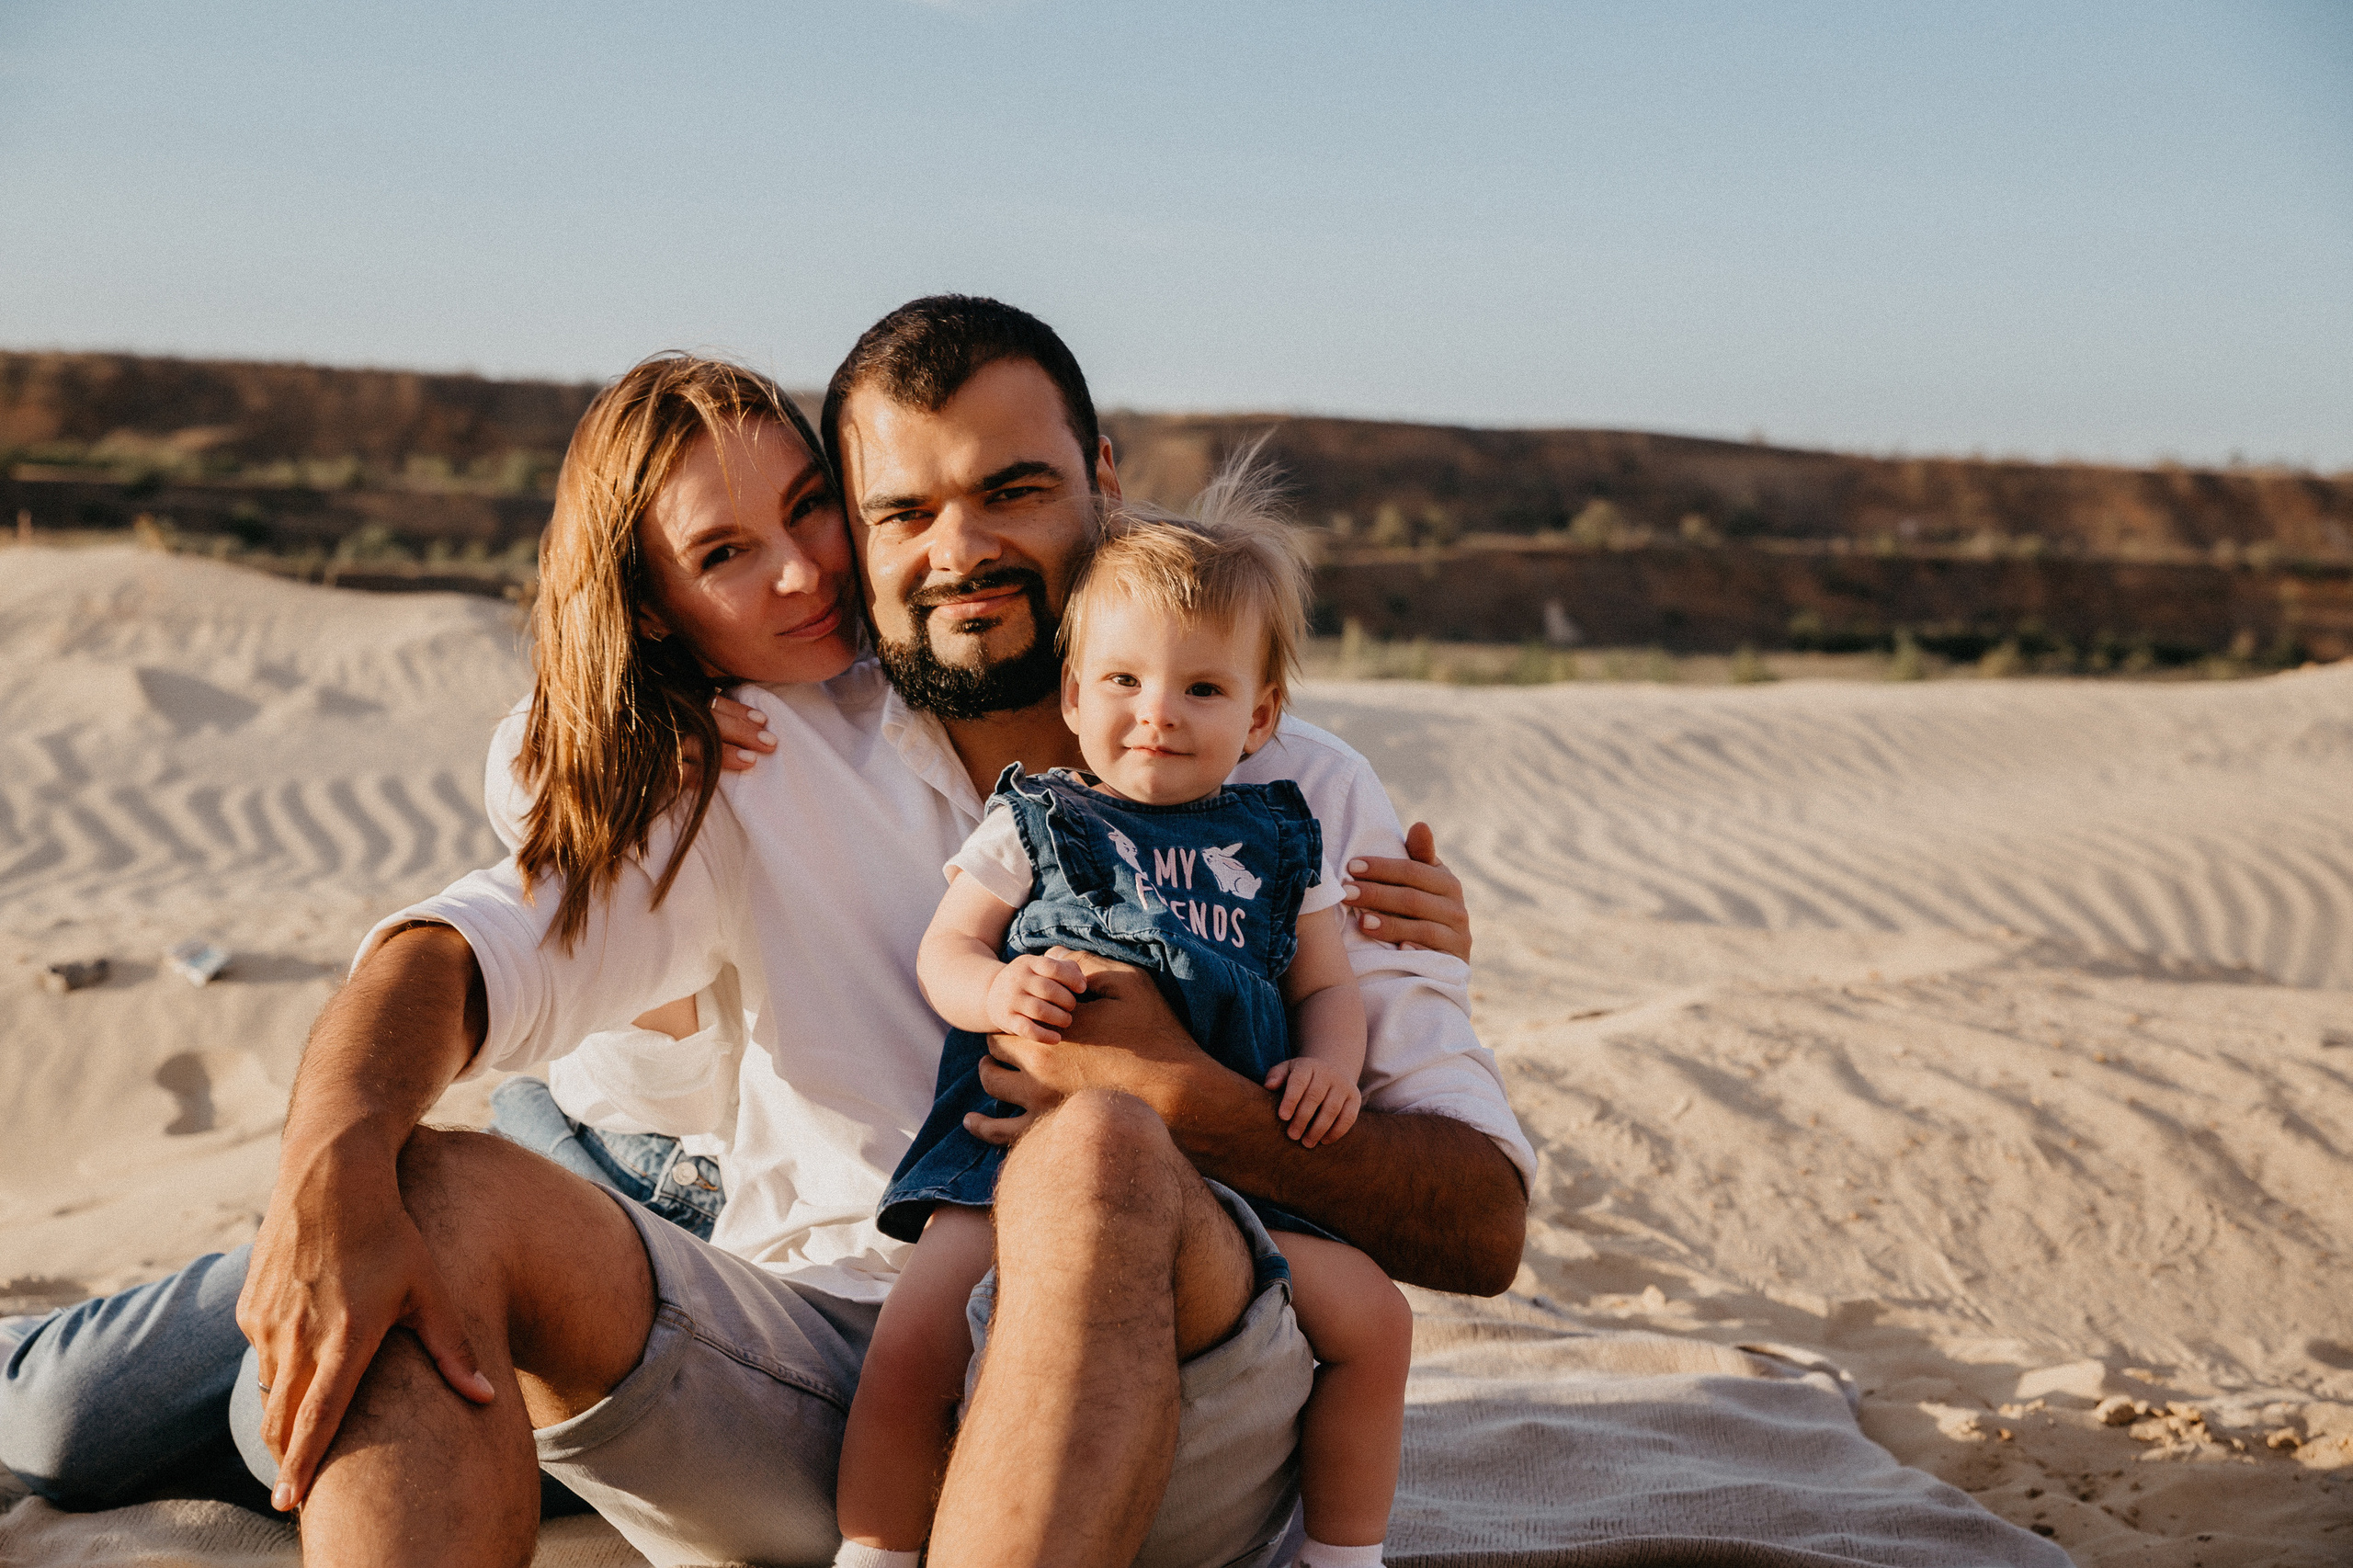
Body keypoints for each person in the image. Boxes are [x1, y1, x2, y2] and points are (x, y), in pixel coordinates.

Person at [3, 300, 1529, 1568]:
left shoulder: (1294, 785)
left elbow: (1480, 1218)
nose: (960, 549)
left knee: (1093, 1159)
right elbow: (466, 946)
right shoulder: (756, 756)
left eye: (1013, 491)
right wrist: (333, 1169)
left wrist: (1176, 1097)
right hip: (821, 1375)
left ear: (1105, 480)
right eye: (900, 512)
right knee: (440, 1192)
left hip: (1182, 1381)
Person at [838, 490, 1410, 1568]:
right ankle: (871, 1549)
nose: (1158, 711)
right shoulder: (1041, 817)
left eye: (1202, 687)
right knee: (914, 1331)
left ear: (1259, 716)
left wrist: (1329, 1066)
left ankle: (1342, 1552)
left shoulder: (1286, 842)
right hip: (1003, 1159)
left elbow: (1328, 989)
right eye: (1123, 680)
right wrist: (994, 994)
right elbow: (945, 949)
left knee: (1374, 1320)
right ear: (1071, 691)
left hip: (1224, 1184)